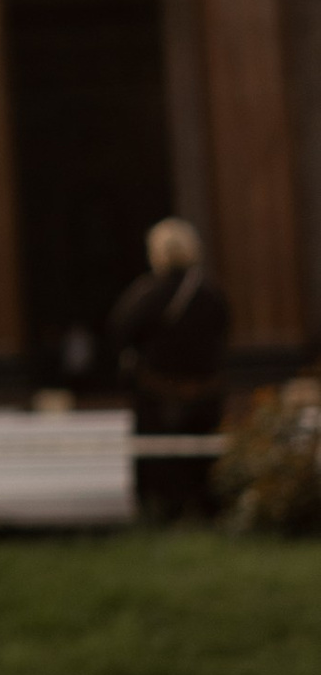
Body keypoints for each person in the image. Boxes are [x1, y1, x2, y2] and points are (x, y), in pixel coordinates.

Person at [108, 215, 231, 521]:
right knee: (202, 463)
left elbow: (120, 331)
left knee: (161, 461)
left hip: (158, 394)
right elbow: (223, 332)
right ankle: (206, 515)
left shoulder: (147, 293)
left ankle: (162, 516)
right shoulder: (211, 293)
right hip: (205, 393)